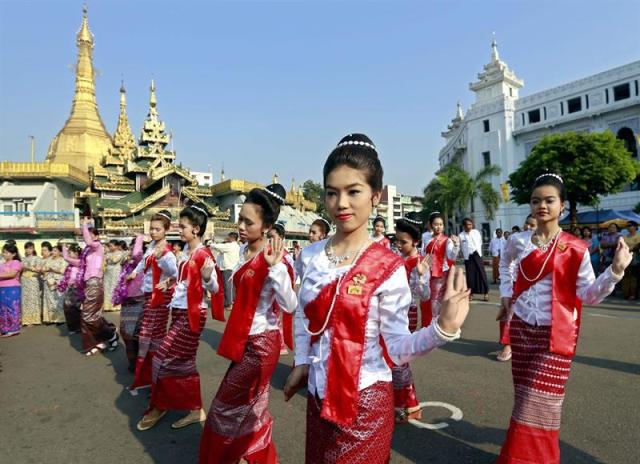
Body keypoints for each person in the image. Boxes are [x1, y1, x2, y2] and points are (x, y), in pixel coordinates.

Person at [283, 133, 470, 464]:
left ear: (375, 196)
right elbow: (303, 315)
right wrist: (301, 362)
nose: (341, 203)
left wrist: (443, 328)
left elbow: (396, 348)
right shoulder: (309, 256)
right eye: (332, 193)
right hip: (316, 396)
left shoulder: (387, 267)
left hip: (365, 403)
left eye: (353, 191)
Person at [496, 173, 630, 464]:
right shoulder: (518, 241)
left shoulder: (575, 248)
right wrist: (506, 293)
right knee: (524, 400)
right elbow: (505, 263)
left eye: (549, 200)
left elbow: (589, 295)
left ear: (562, 205)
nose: (541, 205)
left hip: (555, 334)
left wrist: (615, 272)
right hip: (521, 330)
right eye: (535, 201)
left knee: (538, 405)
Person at [199, 183, 297, 464]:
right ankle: (257, 456)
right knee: (253, 408)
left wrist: (276, 267)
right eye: (239, 219)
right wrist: (208, 278)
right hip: (243, 341)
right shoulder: (241, 251)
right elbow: (220, 291)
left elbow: (290, 305)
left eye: (247, 221)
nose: (240, 225)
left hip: (261, 344)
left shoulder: (276, 258)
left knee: (222, 409)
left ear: (266, 226)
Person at [137, 204, 224, 431]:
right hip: (179, 311)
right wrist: (170, 282)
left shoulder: (204, 255)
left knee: (161, 359)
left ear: (196, 229)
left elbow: (214, 289)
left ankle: (160, 404)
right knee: (183, 363)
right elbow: (184, 280)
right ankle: (195, 409)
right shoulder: (186, 251)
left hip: (192, 314)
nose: (179, 229)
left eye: (183, 226)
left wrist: (207, 278)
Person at [392, 212, 431, 422]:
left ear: (416, 241)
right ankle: (405, 404)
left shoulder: (418, 262)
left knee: (399, 360)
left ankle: (408, 404)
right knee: (393, 359)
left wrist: (422, 276)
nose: (398, 244)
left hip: (406, 314)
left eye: (403, 242)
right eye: (396, 240)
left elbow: (424, 295)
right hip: (389, 312)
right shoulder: (396, 257)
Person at [63, 219, 118, 355]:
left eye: (92, 234)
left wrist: (84, 226)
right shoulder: (87, 254)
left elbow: (88, 241)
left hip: (95, 284)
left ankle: (110, 334)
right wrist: (63, 247)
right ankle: (95, 342)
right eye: (88, 234)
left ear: (97, 237)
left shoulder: (98, 247)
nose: (89, 236)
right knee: (88, 317)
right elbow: (72, 261)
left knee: (88, 317)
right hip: (87, 286)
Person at [421, 212, 460, 328]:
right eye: (436, 224)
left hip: (440, 274)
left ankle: (435, 326)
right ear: (431, 225)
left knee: (436, 300)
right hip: (427, 272)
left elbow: (452, 257)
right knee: (427, 299)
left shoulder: (446, 240)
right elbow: (423, 253)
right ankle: (429, 324)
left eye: (441, 224)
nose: (439, 227)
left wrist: (456, 245)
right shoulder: (426, 237)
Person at [113, 235, 145, 372]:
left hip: (139, 299)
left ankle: (139, 364)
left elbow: (138, 251)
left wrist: (140, 236)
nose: (131, 251)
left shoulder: (141, 260)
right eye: (130, 248)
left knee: (136, 334)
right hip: (127, 301)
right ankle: (133, 361)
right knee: (126, 332)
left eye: (133, 248)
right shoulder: (127, 262)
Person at [459, 218, 489, 301]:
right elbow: (460, 246)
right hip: (468, 257)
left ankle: (486, 293)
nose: (469, 226)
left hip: (477, 255)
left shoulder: (476, 232)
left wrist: (478, 252)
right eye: (467, 225)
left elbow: (480, 242)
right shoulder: (461, 235)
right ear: (464, 226)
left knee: (482, 273)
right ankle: (470, 293)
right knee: (470, 276)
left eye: (470, 224)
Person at [210, 231, 240, 311]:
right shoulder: (233, 246)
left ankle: (229, 304)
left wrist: (211, 244)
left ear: (232, 238)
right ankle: (231, 302)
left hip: (229, 268)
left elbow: (217, 247)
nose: (227, 238)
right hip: (230, 268)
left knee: (228, 287)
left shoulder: (230, 245)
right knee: (230, 287)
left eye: (228, 237)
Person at [58, 244, 82, 334]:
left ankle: (78, 327)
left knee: (75, 308)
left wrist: (63, 246)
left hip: (78, 289)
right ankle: (73, 327)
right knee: (68, 308)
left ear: (76, 253)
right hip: (70, 288)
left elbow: (66, 258)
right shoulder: (70, 265)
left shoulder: (80, 262)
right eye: (68, 252)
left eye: (70, 252)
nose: (68, 254)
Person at [0, 243, 23, 337]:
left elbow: (12, 274)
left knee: (12, 308)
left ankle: (14, 329)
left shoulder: (16, 262)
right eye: (3, 252)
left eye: (7, 252)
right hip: (2, 288)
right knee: (2, 308)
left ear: (13, 254)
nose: (4, 254)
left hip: (12, 288)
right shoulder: (2, 264)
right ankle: (5, 329)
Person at [41, 244, 67, 324]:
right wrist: (42, 270)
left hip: (57, 281)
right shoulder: (48, 260)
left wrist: (52, 270)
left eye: (55, 251)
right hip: (48, 281)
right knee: (48, 300)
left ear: (60, 252)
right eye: (52, 250)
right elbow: (44, 269)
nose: (53, 252)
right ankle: (50, 319)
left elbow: (62, 271)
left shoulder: (63, 260)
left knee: (57, 300)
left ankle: (60, 319)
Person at [20, 241, 42, 326]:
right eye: (26, 248)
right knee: (25, 300)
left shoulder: (37, 258)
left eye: (30, 248)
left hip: (33, 280)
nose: (28, 250)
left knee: (33, 299)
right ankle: (26, 320)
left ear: (33, 249)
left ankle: (34, 320)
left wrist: (28, 267)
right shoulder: (23, 259)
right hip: (24, 280)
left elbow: (38, 270)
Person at [104, 239, 127, 311]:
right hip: (107, 273)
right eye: (109, 246)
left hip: (115, 273)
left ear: (116, 246)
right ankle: (106, 306)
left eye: (111, 246)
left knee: (114, 288)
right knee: (106, 288)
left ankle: (114, 306)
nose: (110, 247)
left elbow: (115, 260)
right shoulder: (108, 253)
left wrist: (108, 257)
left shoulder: (120, 253)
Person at [622, 220, 639, 300]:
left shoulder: (638, 236)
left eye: (630, 225)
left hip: (635, 257)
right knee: (626, 276)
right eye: (627, 226)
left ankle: (633, 294)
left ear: (635, 227)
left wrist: (630, 249)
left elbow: (637, 246)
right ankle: (626, 293)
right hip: (625, 257)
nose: (628, 227)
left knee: (634, 276)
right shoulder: (624, 237)